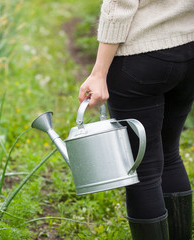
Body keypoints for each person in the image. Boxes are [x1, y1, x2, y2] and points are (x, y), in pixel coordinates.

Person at [78, 1, 194, 239]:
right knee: (170, 153)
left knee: (142, 169)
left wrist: (99, 73)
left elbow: (119, 5)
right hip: (189, 51)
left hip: (140, 56)